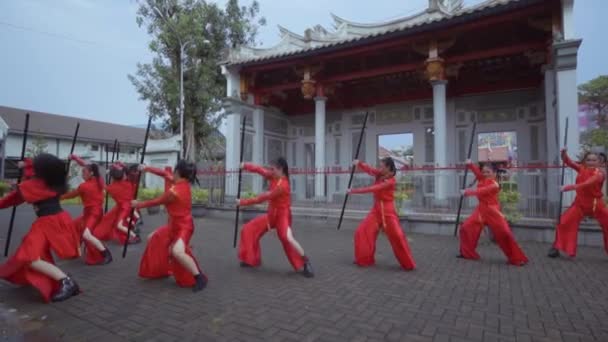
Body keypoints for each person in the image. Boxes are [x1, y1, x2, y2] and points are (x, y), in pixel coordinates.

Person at [0, 154, 81, 302]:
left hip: (48, 222)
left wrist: (24, 169)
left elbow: (13, 198)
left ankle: (67, 282)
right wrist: (26, 165)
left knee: (29, 256)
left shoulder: (34, 185)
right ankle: (58, 279)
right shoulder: (52, 182)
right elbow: (34, 171)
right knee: (32, 252)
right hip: (57, 219)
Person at [133, 161, 207, 292]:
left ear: (178, 172)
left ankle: (199, 278)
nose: (172, 172)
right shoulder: (180, 182)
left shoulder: (175, 191)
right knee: (153, 237)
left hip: (184, 227)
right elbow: (163, 173)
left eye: (174, 170)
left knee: (177, 252)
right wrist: (147, 168)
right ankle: (164, 268)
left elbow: (158, 201)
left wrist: (138, 204)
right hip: (173, 225)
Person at [236, 157, 314, 278]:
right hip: (271, 215)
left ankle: (305, 262)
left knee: (287, 238)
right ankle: (250, 259)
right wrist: (245, 165)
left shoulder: (283, 185)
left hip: (282, 216)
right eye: (271, 169)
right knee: (248, 229)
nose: (270, 171)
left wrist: (242, 202)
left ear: (280, 169)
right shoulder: (273, 176)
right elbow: (260, 170)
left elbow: (263, 198)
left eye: (273, 169)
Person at [348, 157, 416, 270]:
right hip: (376, 210)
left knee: (398, 237)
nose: (379, 168)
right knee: (361, 231)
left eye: (381, 166)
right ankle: (364, 259)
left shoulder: (391, 181)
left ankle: (408, 264)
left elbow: (374, 188)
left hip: (388, 212)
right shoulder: (380, 173)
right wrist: (359, 163)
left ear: (388, 167)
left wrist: (353, 191)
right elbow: (370, 170)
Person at [458, 160, 528, 266]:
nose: (485, 174)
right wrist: (470, 164)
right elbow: (477, 172)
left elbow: (482, 191)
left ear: (494, 173)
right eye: (484, 172)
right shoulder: (482, 178)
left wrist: (467, 192)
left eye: (488, 172)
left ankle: (516, 258)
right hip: (481, 210)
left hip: (493, 212)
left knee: (505, 233)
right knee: (465, 227)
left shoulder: (495, 184)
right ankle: (467, 253)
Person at [548, 149, 608, 258]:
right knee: (563, 222)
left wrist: (568, 187)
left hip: (596, 205)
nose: (591, 162)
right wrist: (563, 153)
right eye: (588, 160)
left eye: (594, 160)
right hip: (580, 204)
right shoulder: (581, 169)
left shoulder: (600, 174)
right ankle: (557, 247)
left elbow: (587, 183)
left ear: (599, 162)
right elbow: (569, 162)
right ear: (585, 161)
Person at [61, 154, 112, 265]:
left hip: (94, 214)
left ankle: (105, 253)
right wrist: (75, 158)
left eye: (84, 172)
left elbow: (71, 195)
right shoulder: (99, 180)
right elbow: (86, 165)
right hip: (91, 213)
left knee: (86, 235)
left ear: (91, 173)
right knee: (74, 227)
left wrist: (58, 197)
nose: (82, 174)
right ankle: (75, 250)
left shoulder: (85, 186)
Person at [95, 162, 140, 244]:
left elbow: (101, 184)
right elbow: (127, 171)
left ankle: (134, 236)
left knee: (119, 225)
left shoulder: (110, 188)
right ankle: (134, 225)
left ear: (113, 178)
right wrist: (117, 167)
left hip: (124, 208)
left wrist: (104, 174)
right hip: (129, 206)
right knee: (110, 219)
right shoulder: (129, 183)